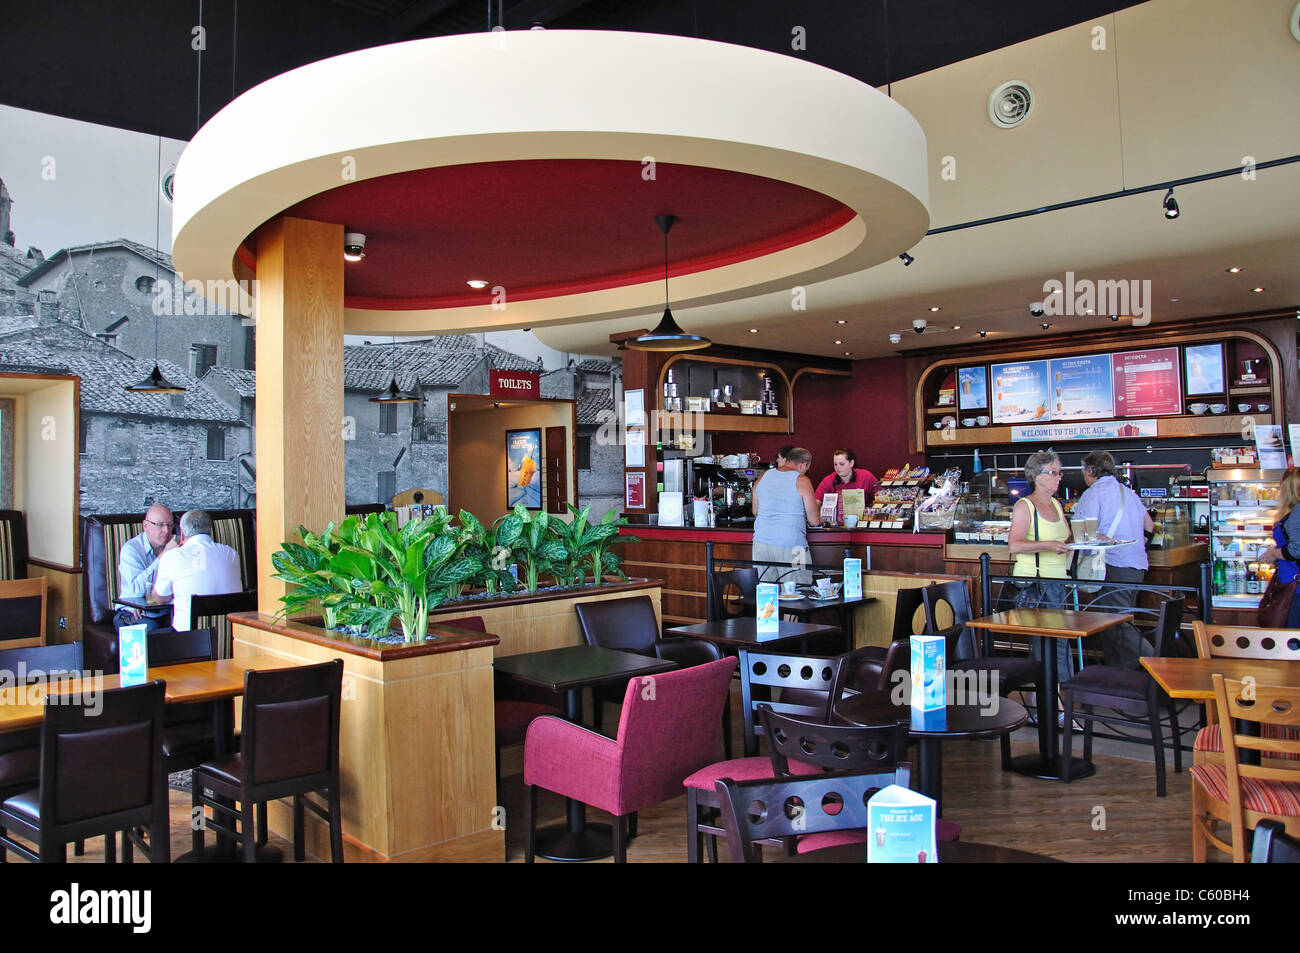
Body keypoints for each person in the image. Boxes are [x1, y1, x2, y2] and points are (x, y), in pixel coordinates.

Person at [1071, 450, 1156, 667]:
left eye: (1084, 470)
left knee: (1117, 624)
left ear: (1090, 470)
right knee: (1115, 626)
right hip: (1136, 565)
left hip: (1112, 565)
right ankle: (1120, 682)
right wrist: (1136, 544)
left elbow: (1084, 532)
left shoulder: (1093, 493)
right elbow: (1150, 526)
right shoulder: (1127, 492)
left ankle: (1161, 663)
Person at [1007, 450, 1072, 681]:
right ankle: (1054, 704)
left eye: (1059, 472)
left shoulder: (1056, 504)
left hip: (1057, 581)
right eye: (1053, 472)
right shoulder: (1025, 506)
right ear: (1036, 475)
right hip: (1036, 583)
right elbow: (1014, 545)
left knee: (1060, 641)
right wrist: (1048, 545)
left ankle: (1055, 702)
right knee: (1049, 643)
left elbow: (1067, 539)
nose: (1058, 477)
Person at [152, 509, 243, 633]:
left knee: (148, 638)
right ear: (210, 530)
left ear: (182, 534)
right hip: (232, 637)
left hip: (188, 641)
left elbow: (160, 599)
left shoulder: (172, 556)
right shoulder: (231, 553)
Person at [751, 446, 821, 583]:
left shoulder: (764, 475)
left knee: (766, 591)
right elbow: (814, 521)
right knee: (799, 590)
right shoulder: (802, 480)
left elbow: (756, 511)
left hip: (761, 545)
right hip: (794, 546)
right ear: (804, 464)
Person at [114, 504, 176, 633]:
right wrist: (162, 556)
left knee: (184, 627)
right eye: (160, 525)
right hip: (131, 612)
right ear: (145, 526)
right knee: (151, 630)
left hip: (165, 611)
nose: (166, 530)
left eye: (170, 525)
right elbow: (136, 590)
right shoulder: (131, 550)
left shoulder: (177, 547)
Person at [1259, 467, 1300, 628]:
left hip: (1295, 588)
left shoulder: (1297, 511)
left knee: (1292, 643)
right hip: (1293, 586)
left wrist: (1273, 554)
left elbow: (1297, 549)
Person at [813, 448, 879, 519]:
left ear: (851, 463)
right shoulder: (828, 480)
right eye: (835, 464)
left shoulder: (866, 476)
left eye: (842, 464)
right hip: (836, 525)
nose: (838, 468)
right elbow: (815, 504)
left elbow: (881, 497)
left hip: (862, 523)